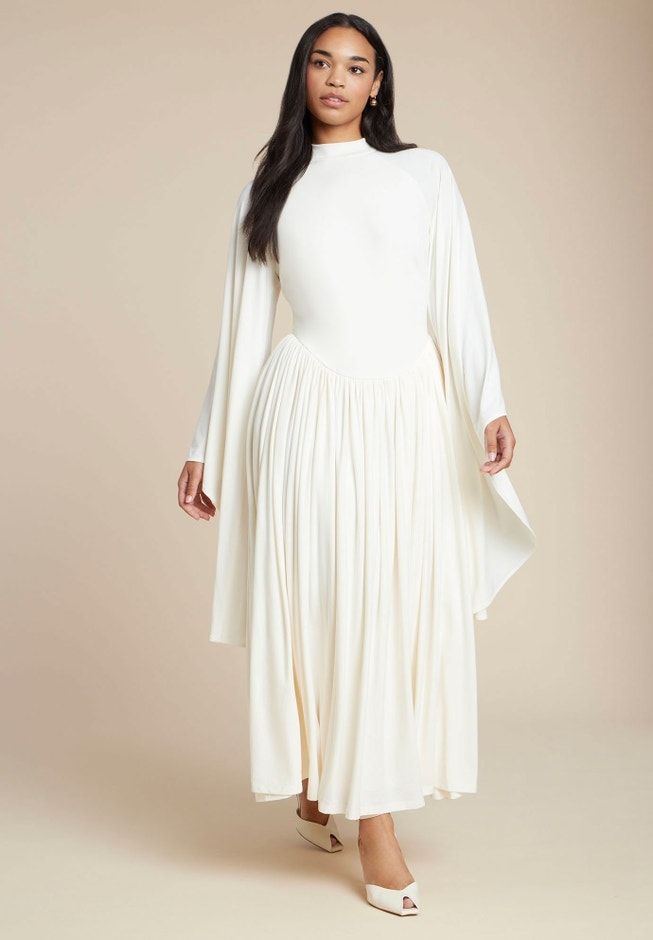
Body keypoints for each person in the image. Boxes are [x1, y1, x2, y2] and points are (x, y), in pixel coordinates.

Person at [177, 11, 535, 917]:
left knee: (389, 603)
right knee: (327, 603)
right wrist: (204, 445)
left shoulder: (423, 174)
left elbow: (458, 297)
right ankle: (374, 824)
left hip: (407, 411)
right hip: (304, 410)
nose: (336, 77)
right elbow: (241, 328)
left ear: (378, 85)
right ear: (302, 75)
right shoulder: (272, 182)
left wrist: (486, 400)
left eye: (356, 65)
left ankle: (322, 793)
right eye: (321, 61)